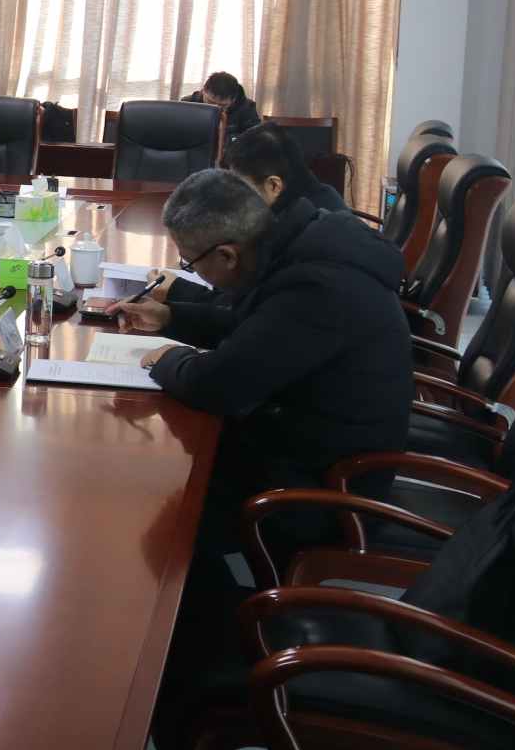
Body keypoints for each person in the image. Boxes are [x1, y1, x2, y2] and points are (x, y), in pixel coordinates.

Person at [104, 168, 410, 553]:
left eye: (189, 263)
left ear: (226, 255)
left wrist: (168, 359)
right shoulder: (305, 242)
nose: (191, 271)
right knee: (165, 471)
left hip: (325, 491)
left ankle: (217, 592)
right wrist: (171, 317)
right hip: (304, 444)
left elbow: (217, 386)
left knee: (159, 518)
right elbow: (254, 325)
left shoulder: (317, 286)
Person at [160, 123, 354, 306]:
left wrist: (179, 289)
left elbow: (247, 308)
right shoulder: (316, 200)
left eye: (239, 185)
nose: (232, 192)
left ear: (273, 185)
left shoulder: (295, 234)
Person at [183, 71, 262, 139]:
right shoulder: (187, 103)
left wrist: (228, 138)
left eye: (222, 105)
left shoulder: (247, 108)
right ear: (204, 91)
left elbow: (254, 138)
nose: (216, 108)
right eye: (210, 102)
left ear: (234, 99)